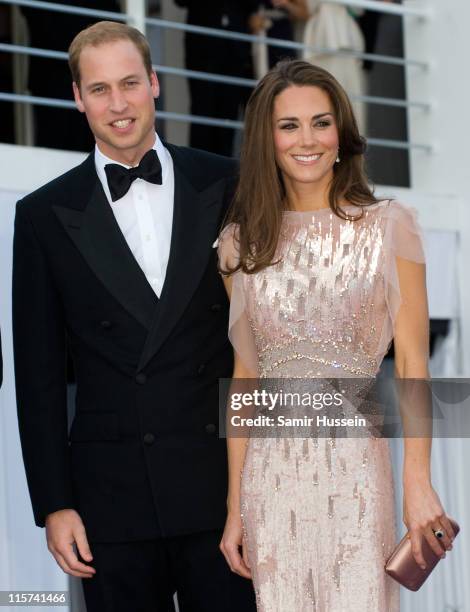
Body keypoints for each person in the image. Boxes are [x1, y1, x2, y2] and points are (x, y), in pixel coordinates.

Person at [12, 21, 256, 612]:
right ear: (76, 97)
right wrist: (55, 504)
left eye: (129, 83)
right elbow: (38, 377)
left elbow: (261, 345)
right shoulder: (44, 214)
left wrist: (260, 486)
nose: (117, 104)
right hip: (109, 503)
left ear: (154, 82)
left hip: (220, 491)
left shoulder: (228, 183)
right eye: (99, 89)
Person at [217, 60, 455, 610]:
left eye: (321, 123)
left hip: (356, 477)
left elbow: (415, 365)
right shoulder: (239, 245)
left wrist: (416, 480)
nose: (308, 140)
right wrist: (235, 505)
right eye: (289, 125)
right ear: (267, 140)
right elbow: (246, 380)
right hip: (269, 483)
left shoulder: (390, 226)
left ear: (342, 135)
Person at [174, 0, 257, 156]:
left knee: (229, 113)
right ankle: (197, 168)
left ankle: (224, 170)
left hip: (235, 48)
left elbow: (253, 5)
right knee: (202, 110)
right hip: (202, 47)